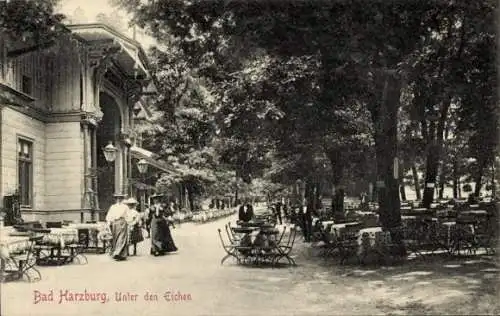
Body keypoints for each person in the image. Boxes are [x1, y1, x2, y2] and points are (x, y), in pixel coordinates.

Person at [105, 193, 129, 261]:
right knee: (115, 238)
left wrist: (129, 223)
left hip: (122, 222)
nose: (119, 199)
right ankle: (119, 254)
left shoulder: (125, 207)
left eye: (120, 198)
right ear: (116, 199)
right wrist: (109, 222)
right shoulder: (113, 207)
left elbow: (128, 215)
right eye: (117, 198)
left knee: (121, 238)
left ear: (122, 199)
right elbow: (109, 215)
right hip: (115, 223)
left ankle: (118, 253)